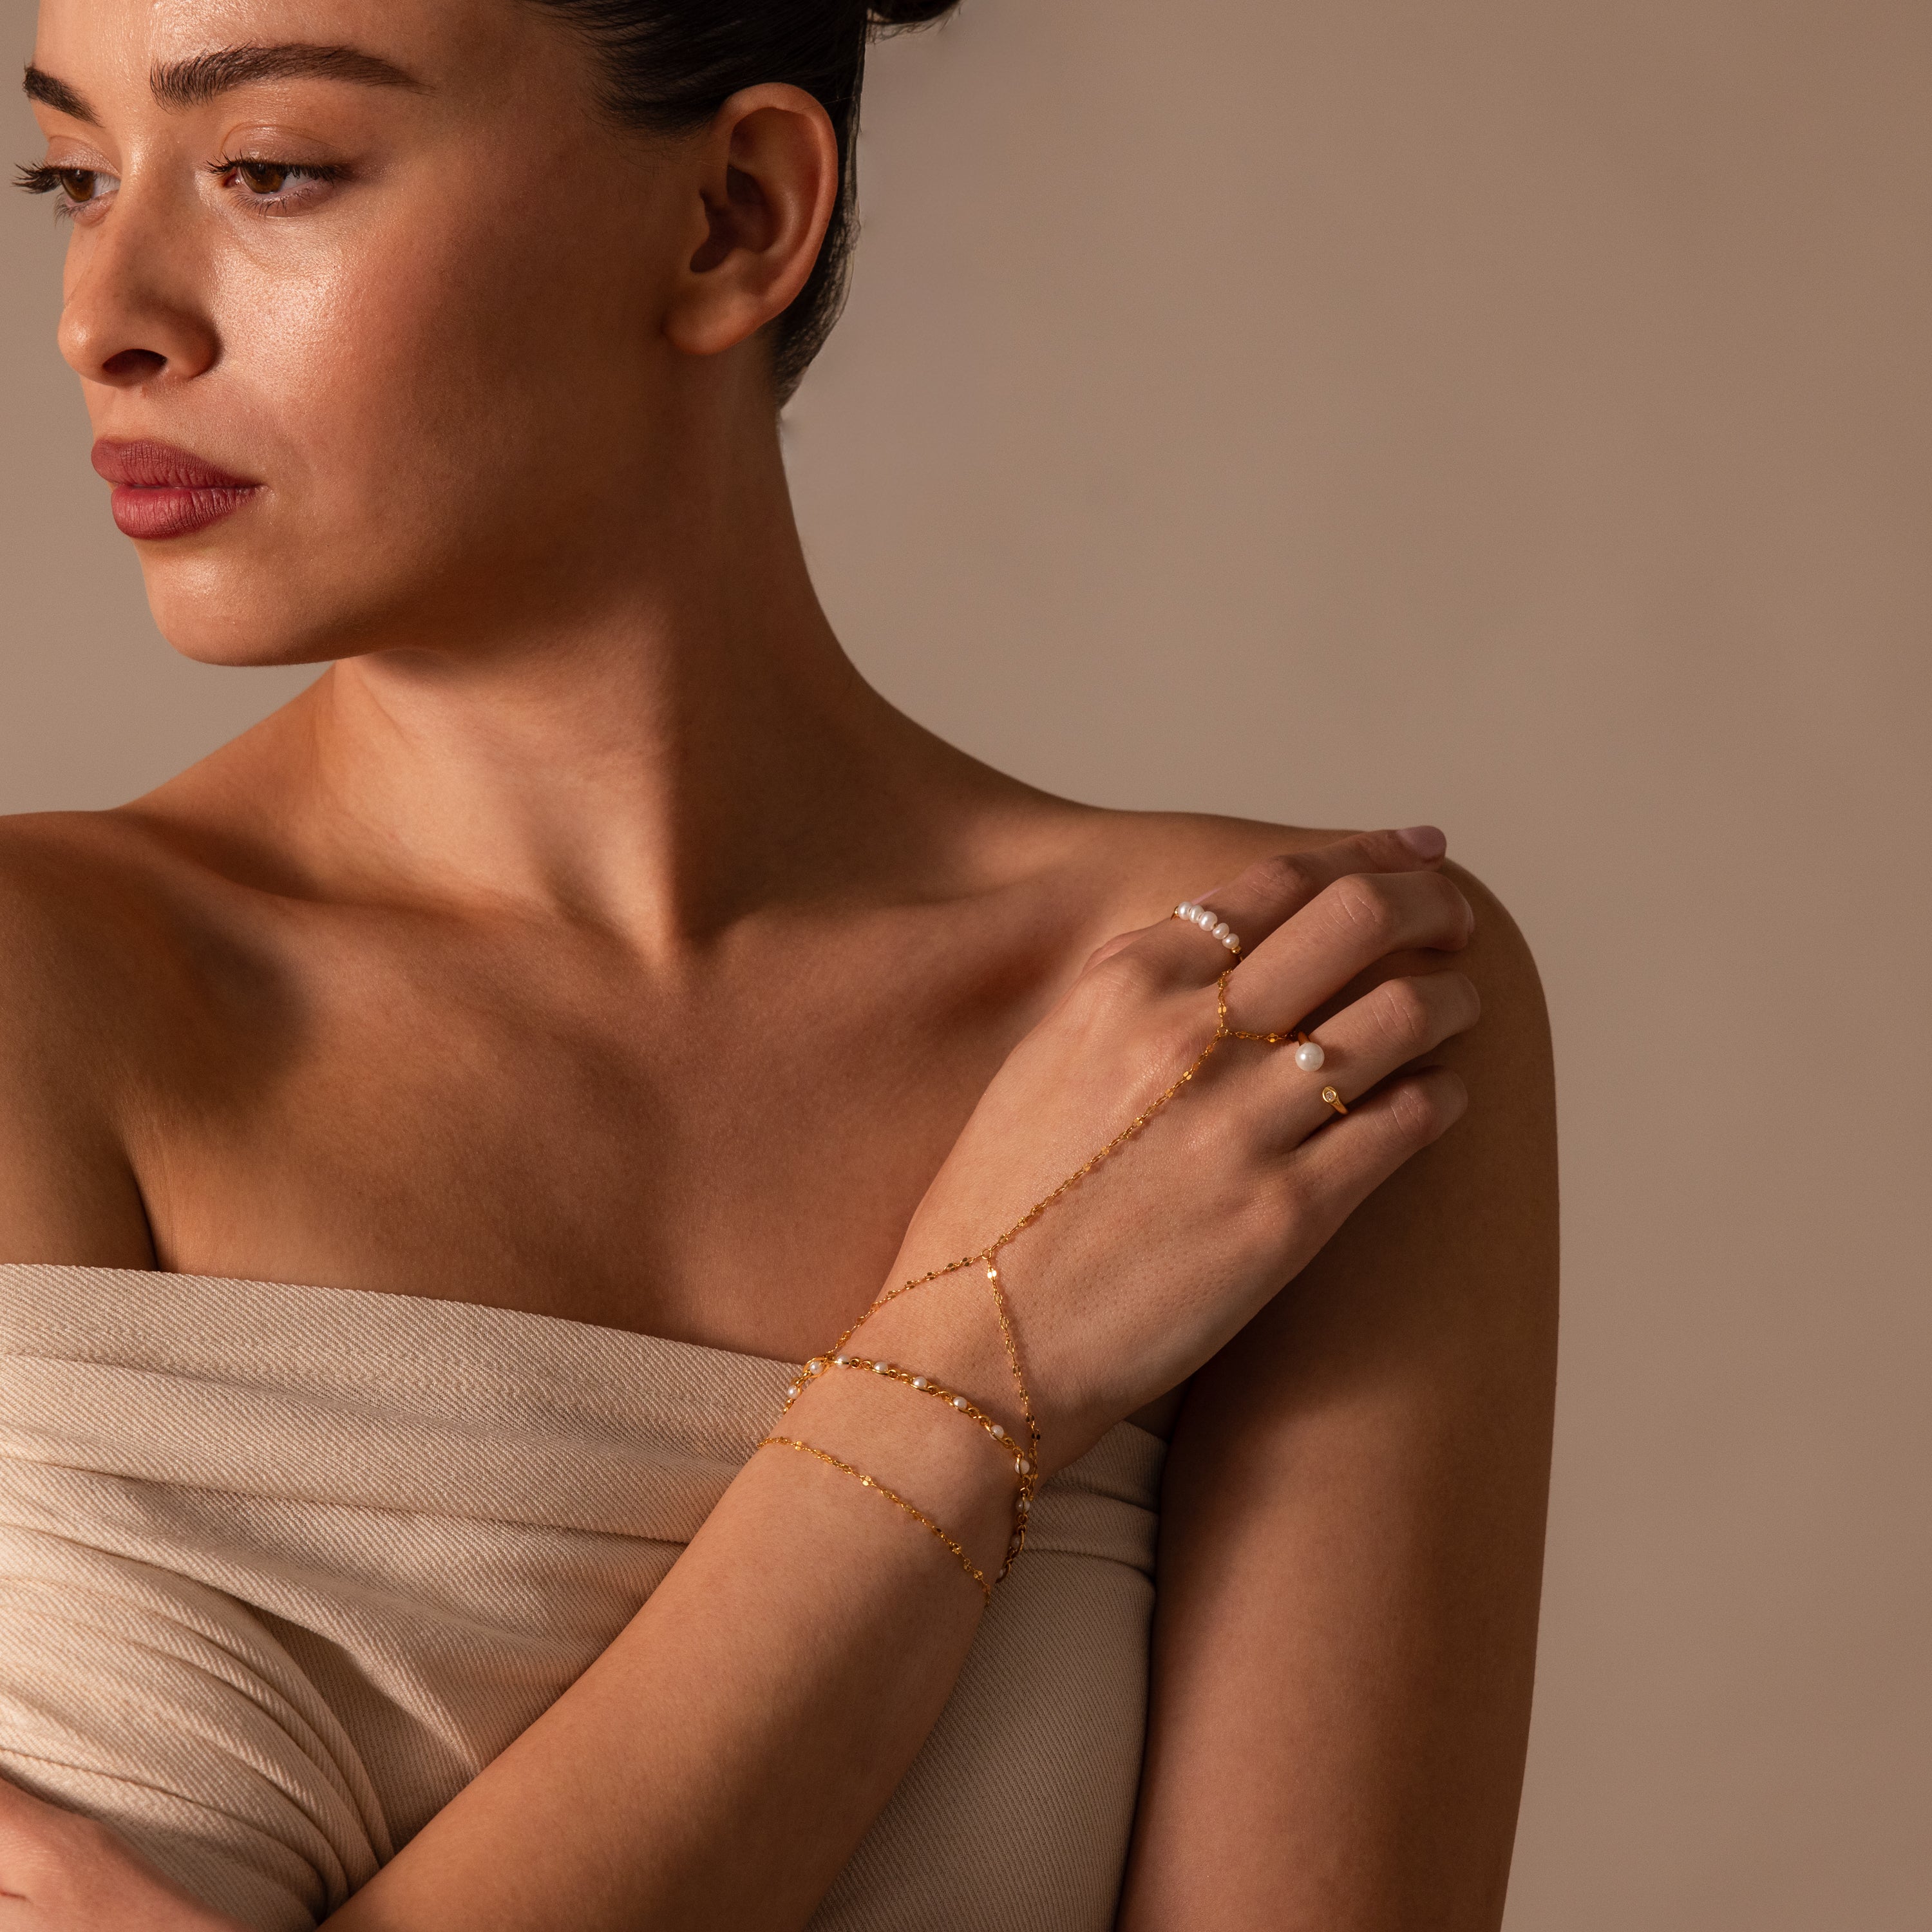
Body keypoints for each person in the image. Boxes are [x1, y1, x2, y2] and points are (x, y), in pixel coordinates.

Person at [0, 0, 1558, 1926]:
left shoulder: (1254, 1019)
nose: (104, 318)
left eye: (272, 172)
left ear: (738, 212)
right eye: (71, 176)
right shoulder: (44, 1005)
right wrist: (971, 1359)